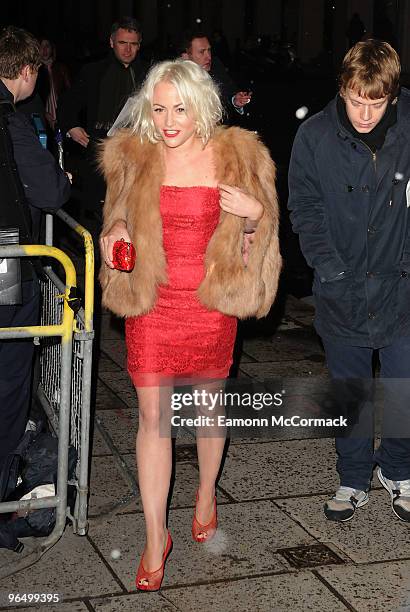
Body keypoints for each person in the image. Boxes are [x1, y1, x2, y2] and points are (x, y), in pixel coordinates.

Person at [99, 59, 280, 590]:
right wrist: (114, 233)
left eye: (179, 108)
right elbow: (116, 215)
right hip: (153, 303)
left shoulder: (238, 154)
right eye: (159, 109)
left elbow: (263, 238)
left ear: (201, 104)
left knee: (207, 409)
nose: (169, 121)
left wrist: (253, 214)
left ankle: (205, 494)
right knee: (152, 416)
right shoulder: (134, 154)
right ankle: (156, 538)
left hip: (209, 304)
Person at [288, 40, 410, 522]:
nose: (363, 113)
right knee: (351, 391)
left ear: (392, 97)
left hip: (402, 288)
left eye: (375, 103)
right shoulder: (315, 136)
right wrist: (330, 266)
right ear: (342, 88)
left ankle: (399, 471)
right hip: (341, 290)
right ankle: (353, 477)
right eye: (355, 100)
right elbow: (305, 207)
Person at [0, 26, 71, 472]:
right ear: (26, 71)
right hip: (6, 266)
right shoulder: (10, 121)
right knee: (10, 374)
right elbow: (51, 191)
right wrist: (62, 179)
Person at [57, 17, 147, 241]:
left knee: (136, 219)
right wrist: (72, 128)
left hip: (137, 156)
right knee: (99, 222)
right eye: (122, 43)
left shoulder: (148, 75)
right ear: (111, 42)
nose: (128, 49)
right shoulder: (93, 72)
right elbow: (67, 105)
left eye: (133, 44)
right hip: (98, 155)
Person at [179, 30, 252, 123]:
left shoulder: (216, 65)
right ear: (186, 56)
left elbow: (229, 92)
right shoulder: (177, 79)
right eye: (202, 52)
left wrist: (235, 100)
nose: (208, 57)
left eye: (209, 50)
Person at [37, 38, 71, 131]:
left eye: (47, 46)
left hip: (61, 115)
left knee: (61, 143)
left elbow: (69, 92)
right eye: (41, 46)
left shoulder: (61, 68)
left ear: (52, 49)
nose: (44, 50)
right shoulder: (34, 70)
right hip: (42, 117)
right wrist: (44, 112)